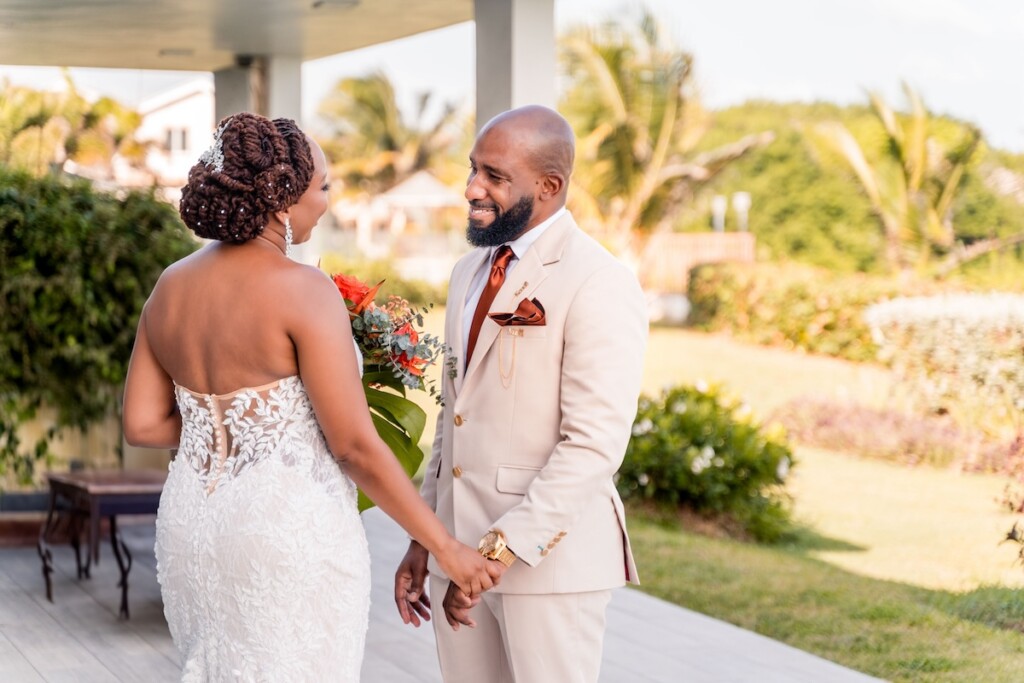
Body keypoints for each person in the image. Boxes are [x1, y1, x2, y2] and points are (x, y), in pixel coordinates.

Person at [122, 112, 500, 682]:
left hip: (192, 529)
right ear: (282, 199)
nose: (327, 200)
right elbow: (352, 446)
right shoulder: (303, 290)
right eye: (323, 186)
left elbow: (144, 425)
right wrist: (445, 547)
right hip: (285, 533)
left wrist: (246, 425)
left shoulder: (169, 286)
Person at [393, 105, 648, 683]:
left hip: (547, 565)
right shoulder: (467, 271)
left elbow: (592, 446)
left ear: (550, 186)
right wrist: (425, 540)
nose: (471, 189)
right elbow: (452, 418)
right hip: (454, 554)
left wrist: (497, 554)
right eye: (473, 169)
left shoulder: (598, 281)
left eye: (494, 177)